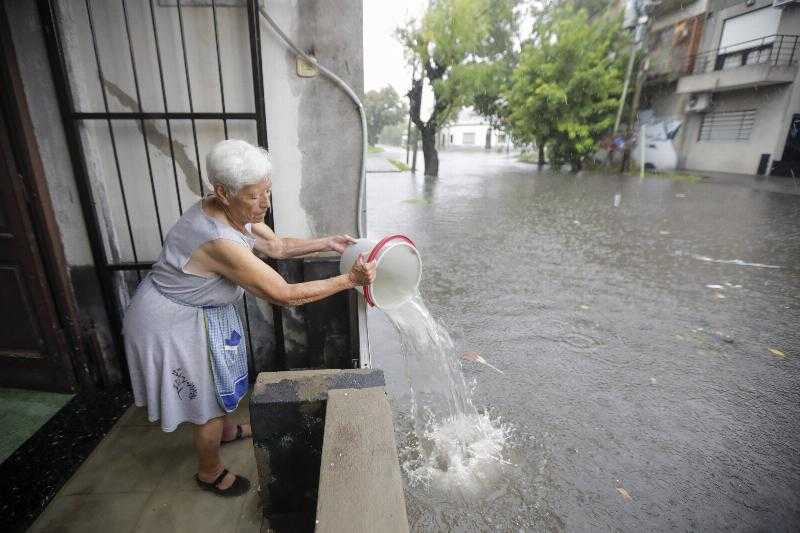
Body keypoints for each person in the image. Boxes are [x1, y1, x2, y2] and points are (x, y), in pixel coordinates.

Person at [122, 139, 376, 496]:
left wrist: (327, 242)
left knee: (218, 383)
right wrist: (350, 280)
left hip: (200, 314)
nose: (266, 204)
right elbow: (284, 295)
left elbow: (277, 247)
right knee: (206, 401)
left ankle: (224, 433)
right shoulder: (216, 240)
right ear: (223, 192)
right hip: (170, 323)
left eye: (267, 192)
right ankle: (209, 471)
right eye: (255, 197)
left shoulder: (233, 211)